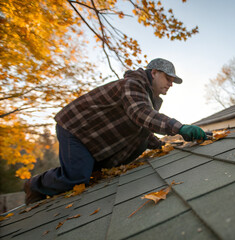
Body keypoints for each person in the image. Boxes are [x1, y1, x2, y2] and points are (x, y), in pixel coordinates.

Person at [24, 58, 207, 205]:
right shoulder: (133, 84)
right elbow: (140, 113)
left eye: (173, 81)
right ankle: (34, 184)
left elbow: (143, 129)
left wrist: (162, 146)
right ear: (154, 73)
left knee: (138, 144)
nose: (171, 84)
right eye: (168, 78)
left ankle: (57, 183)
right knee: (78, 177)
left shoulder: (151, 99)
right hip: (76, 128)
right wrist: (179, 128)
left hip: (97, 137)